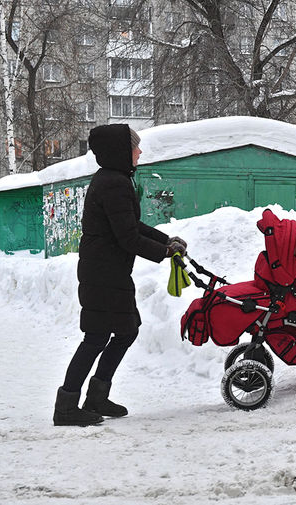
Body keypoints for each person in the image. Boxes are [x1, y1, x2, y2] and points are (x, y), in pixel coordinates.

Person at [53, 124, 188, 426]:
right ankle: (66, 406)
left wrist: (166, 241)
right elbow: (127, 238)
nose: (139, 152)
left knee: (126, 331)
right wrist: (165, 253)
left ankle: (97, 396)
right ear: (120, 152)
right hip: (104, 275)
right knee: (97, 336)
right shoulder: (113, 184)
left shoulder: (113, 180)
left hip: (107, 272)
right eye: (135, 147)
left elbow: (131, 225)